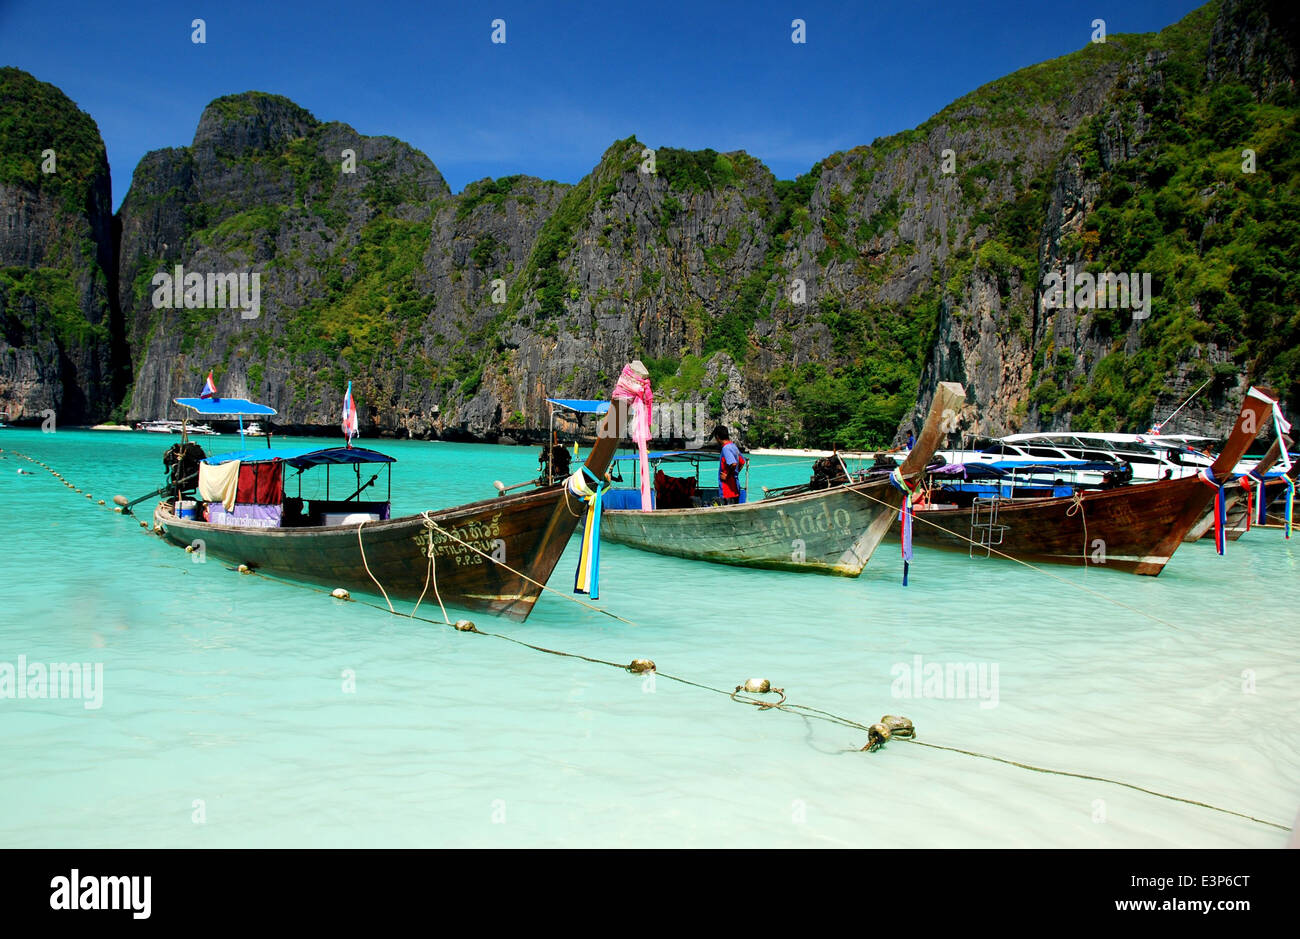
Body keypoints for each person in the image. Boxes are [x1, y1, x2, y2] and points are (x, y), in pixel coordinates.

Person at [713, 425, 745, 505]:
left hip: (727, 490)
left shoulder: (726, 448)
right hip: (736, 489)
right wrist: (735, 474)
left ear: (717, 437)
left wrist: (727, 475)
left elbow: (733, 464)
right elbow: (742, 462)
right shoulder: (733, 446)